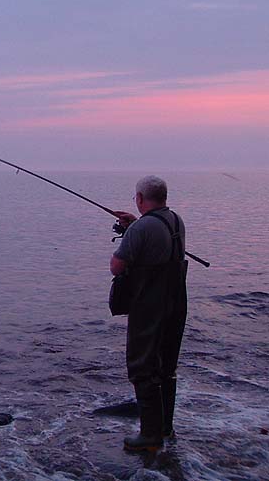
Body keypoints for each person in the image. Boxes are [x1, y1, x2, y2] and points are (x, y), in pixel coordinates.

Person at [110, 175, 188, 452]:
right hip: (176, 304)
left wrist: (132, 230)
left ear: (141, 198)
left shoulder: (141, 229)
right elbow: (158, 247)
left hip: (150, 307)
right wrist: (135, 225)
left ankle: (150, 435)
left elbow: (117, 267)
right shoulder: (175, 221)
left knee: (143, 367)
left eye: (136, 197)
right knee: (166, 367)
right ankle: (165, 428)